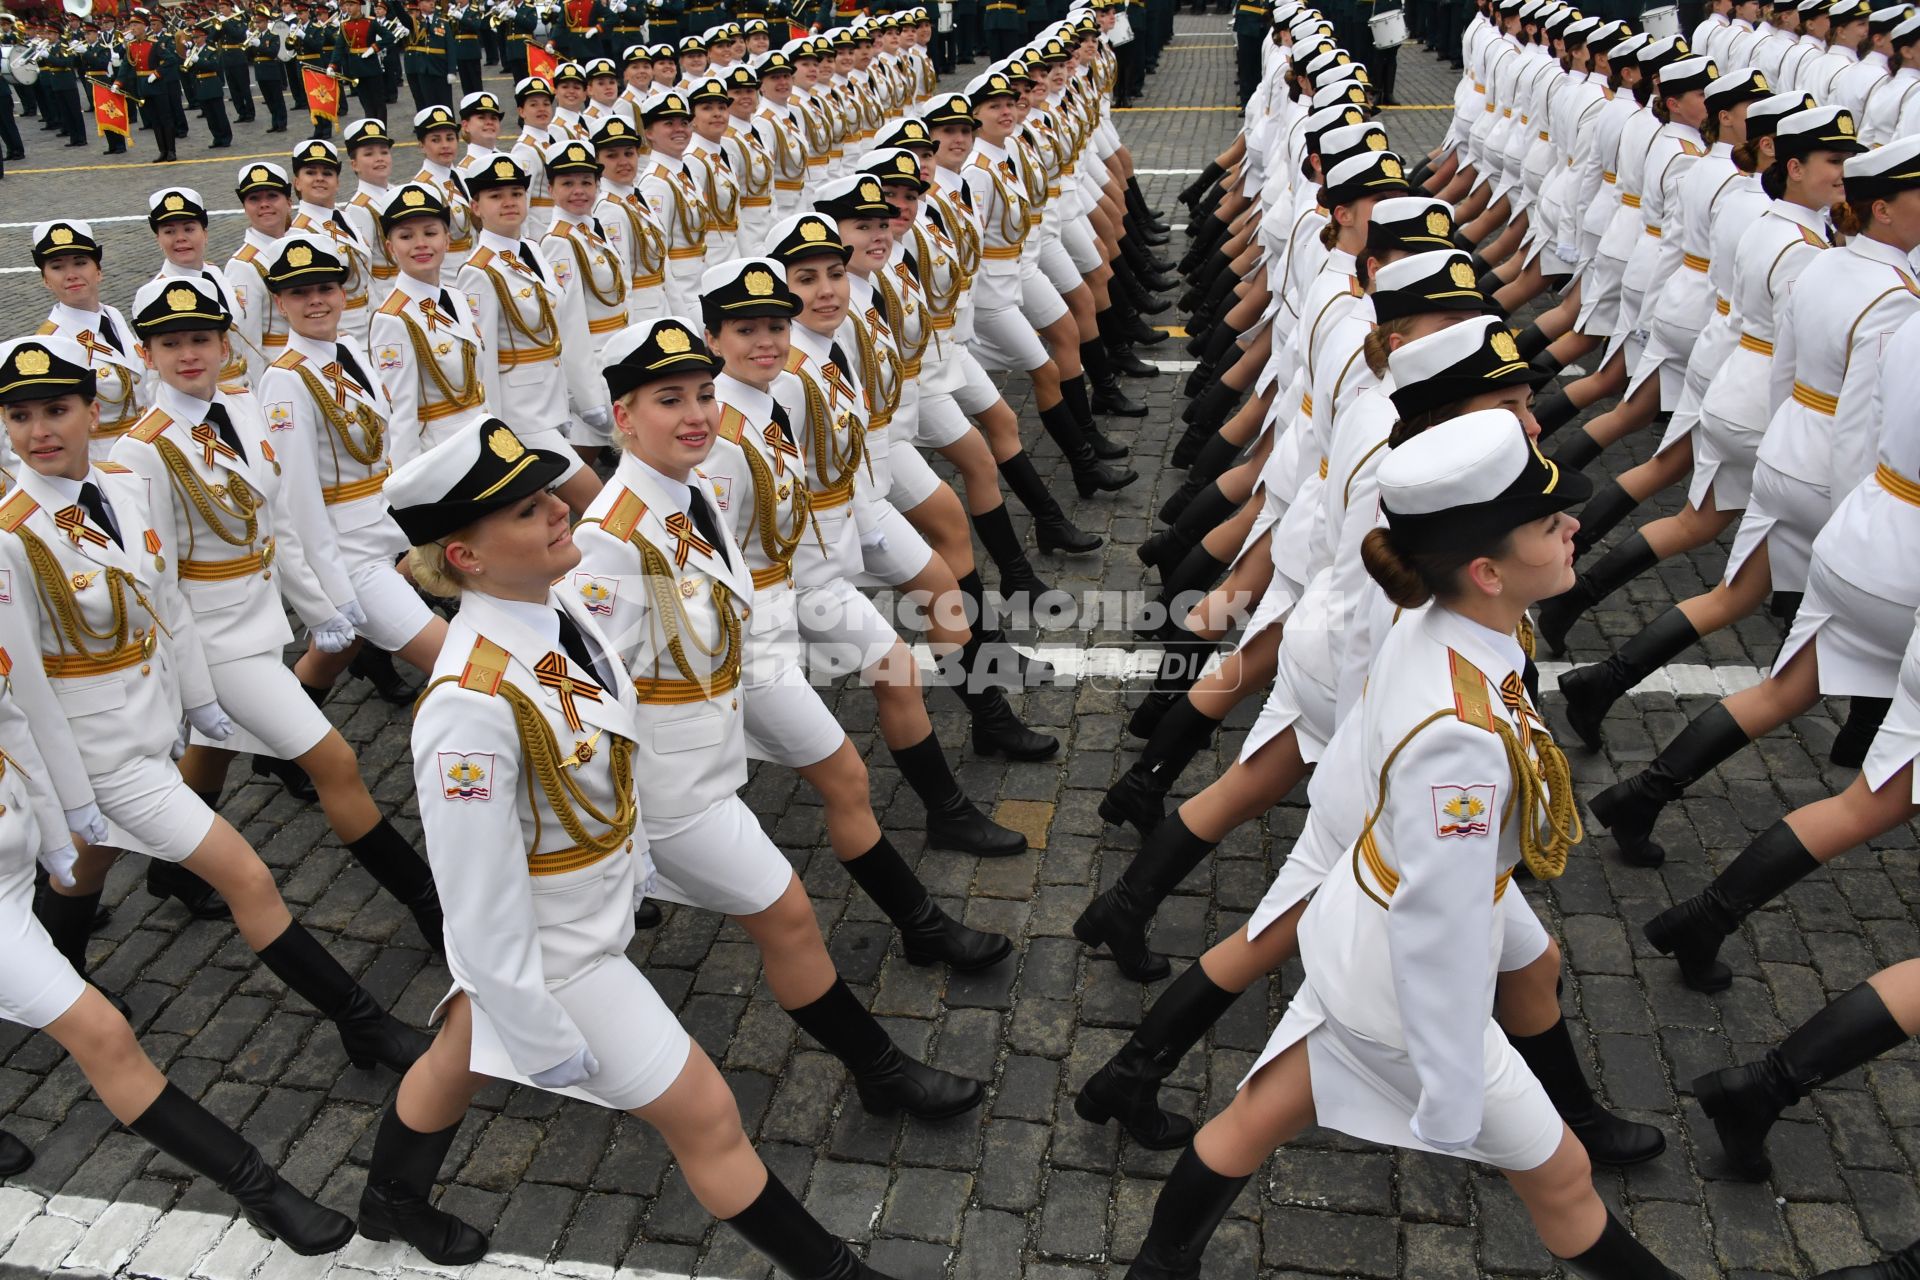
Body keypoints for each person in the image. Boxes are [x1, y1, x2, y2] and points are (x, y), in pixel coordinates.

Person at [1121, 411, 1686, 1280]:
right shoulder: (1458, 732)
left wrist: (1360, 871)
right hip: (1407, 977)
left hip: (1369, 919)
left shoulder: (1447, 623)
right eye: (1549, 522)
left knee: (1259, 1112)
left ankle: (1157, 1269)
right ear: (1488, 570)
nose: (1575, 522)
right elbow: (1442, 921)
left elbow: (1357, 777)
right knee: (1565, 1179)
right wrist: (1454, 1089)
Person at [365, 415, 922, 1279]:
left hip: (595, 903)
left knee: (456, 1055)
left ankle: (389, 1197)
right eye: (525, 512)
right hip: (562, 954)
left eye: (549, 493)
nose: (559, 511)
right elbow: (474, 894)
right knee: (706, 1116)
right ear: (465, 558)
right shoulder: (468, 706)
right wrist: (533, 1018)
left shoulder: (555, 618)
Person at [0, 330, 426, 1072]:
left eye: (56, 409)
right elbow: (26, 696)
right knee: (249, 878)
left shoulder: (121, 492)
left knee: (82, 873)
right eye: (20, 416)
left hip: (147, 728)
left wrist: (193, 707)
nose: (40, 432)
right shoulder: (11, 536)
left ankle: (54, 971)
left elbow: (166, 606)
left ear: (90, 409)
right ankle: (361, 1023)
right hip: (98, 757)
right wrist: (65, 804)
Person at [699, 254, 1012, 967]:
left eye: (775, 326)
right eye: (746, 330)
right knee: (833, 778)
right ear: (713, 337)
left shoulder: (766, 399)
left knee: (895, 675)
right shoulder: (718, 434)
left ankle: (944, 828)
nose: (767, 341)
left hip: (802, 584)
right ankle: (922, 915)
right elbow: (707, 564)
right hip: (758, 626)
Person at [456, 154, 604, 512]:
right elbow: (482, 361)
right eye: (495, 196)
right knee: (596, 498)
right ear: (476, 206)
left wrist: (586, 400)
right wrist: (493, 431)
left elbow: (564, 332)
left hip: (552, 407)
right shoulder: (477, 271)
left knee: (551, 515)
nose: (509, 202)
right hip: (519, 418)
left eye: (516, 193)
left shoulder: (533, 252)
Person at [31, 219, 149, 459]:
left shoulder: (113, 316)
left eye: (81, 263)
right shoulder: (49, 345)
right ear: (45, 279)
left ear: (98, 271)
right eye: (57, 267)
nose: (71, 274)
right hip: (103, 461)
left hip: (146, 449)